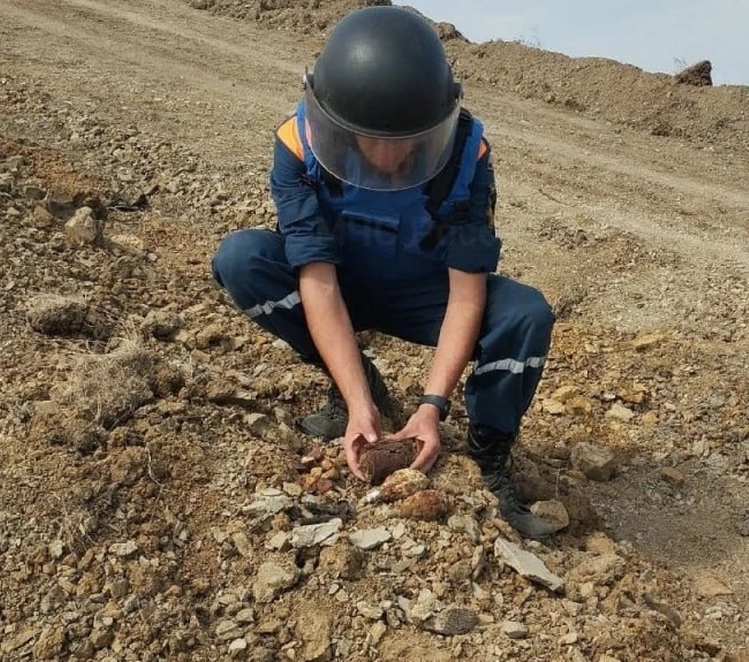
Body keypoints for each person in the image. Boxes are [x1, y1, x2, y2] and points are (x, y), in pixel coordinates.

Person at [211, 6, 558, 539]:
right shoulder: (298, 145)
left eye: (408, 148)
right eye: (370, 143)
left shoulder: (468, 155)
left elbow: (467, 295)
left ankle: (490, 458)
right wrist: (358, 402)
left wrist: (431, 408)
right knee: (242, 259)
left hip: (427, 294)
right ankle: (354, 383)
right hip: (342, 285)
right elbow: (318, 278)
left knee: (525, 314)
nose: (390, 161)